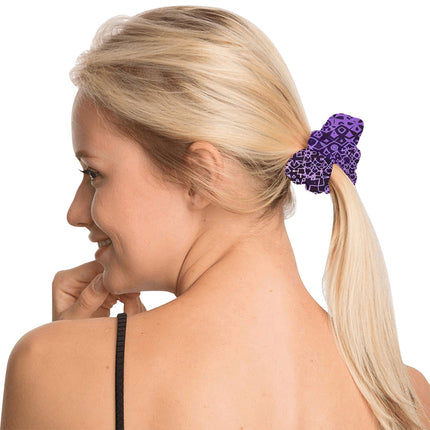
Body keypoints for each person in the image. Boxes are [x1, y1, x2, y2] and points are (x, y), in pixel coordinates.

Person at [1, 5, 429, 430]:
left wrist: (70, 372)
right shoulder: (406, 396)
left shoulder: (50, 364)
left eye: (94, 174)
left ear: (201, 176)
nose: (75, 213)